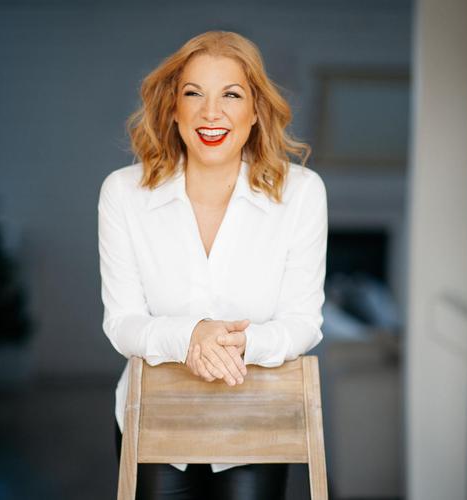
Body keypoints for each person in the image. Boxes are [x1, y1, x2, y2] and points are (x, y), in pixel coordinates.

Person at [98, 30, 328, 500]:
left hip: (258, 421)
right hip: (154, 418)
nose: (211, 113)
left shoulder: (302, 193)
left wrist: (242, 345)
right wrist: (193, 335)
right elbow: (122, 324)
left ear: (256, 110)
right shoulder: (123, 193)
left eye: (231, 95)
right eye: (193, 94)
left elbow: (303, 323)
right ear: (173, 108)